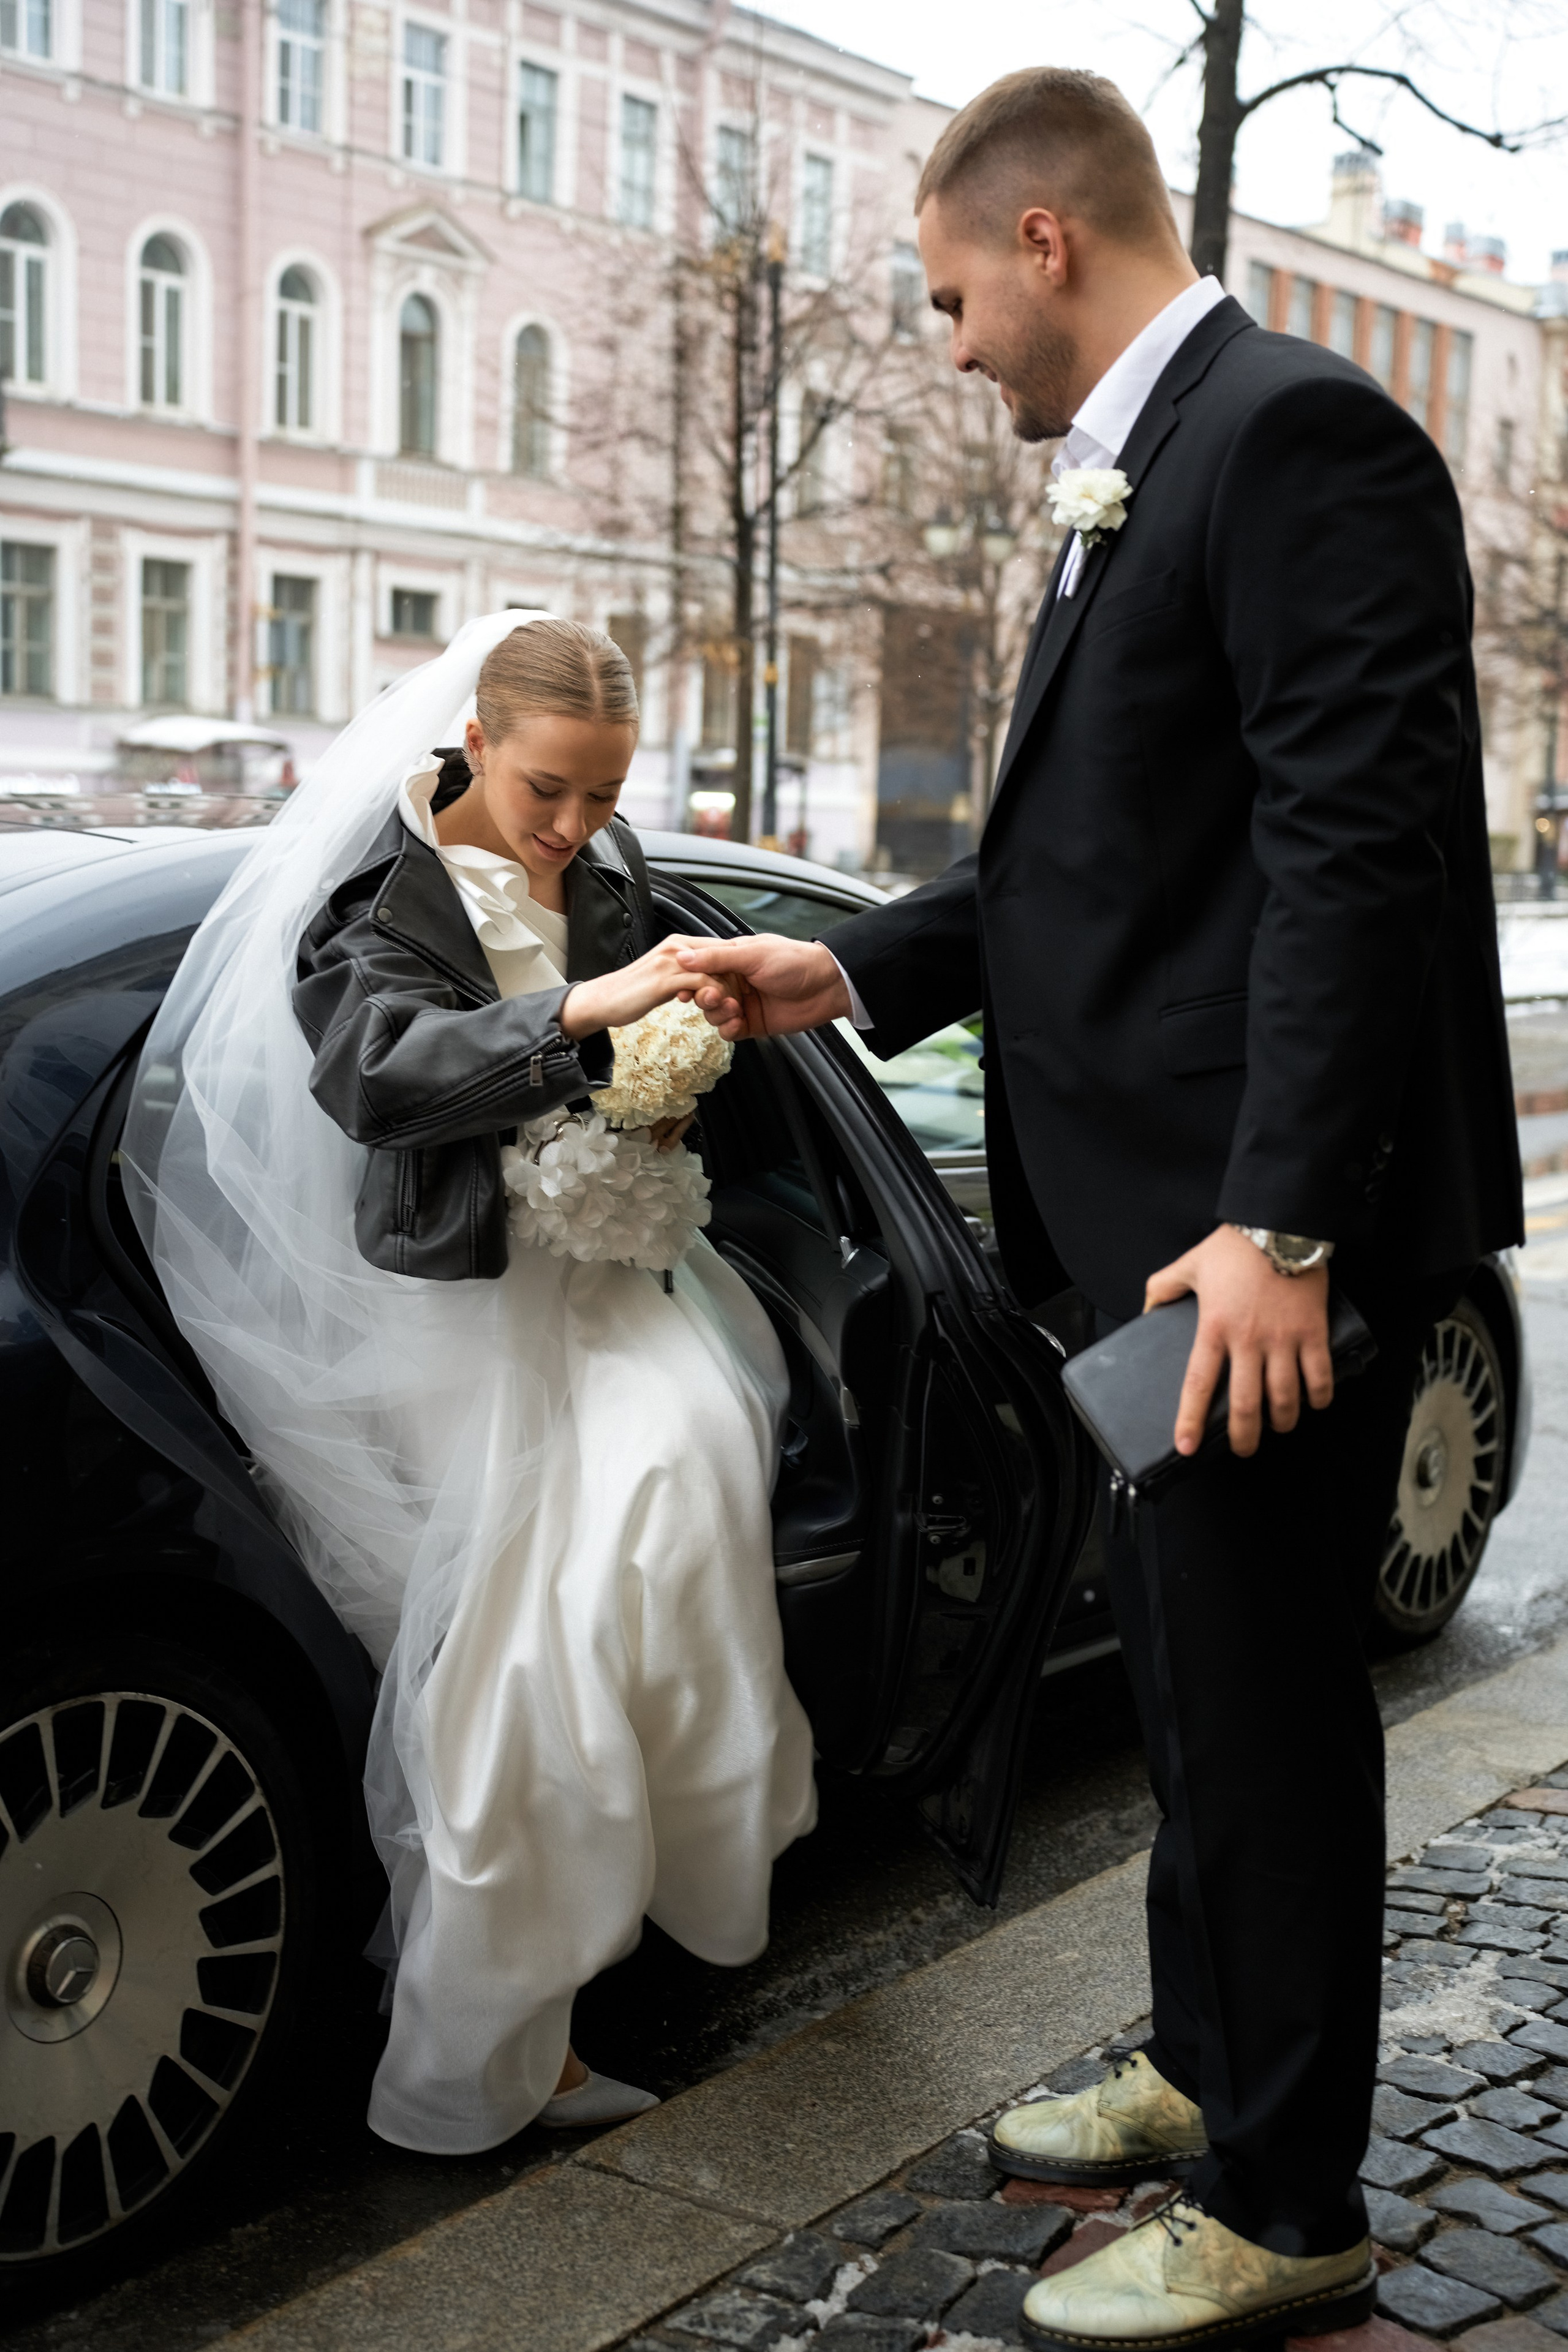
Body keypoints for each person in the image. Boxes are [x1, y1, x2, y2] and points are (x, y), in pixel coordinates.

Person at [678, 66, 1522, 2352]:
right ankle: (1203, 2064)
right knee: (1181, 1684)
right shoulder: (1133, 477)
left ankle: (1288, 2199)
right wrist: (840, 963)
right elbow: (1082, 866)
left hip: (1244, 1253)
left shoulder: (1296, 435)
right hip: (1145, 1246)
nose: (947, 341)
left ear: (1043, 240)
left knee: (1262, 1715)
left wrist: (1285, 1225)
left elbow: (1359, 859)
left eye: (951, 293)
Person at [125, 611, 816, 2153]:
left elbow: (690, 1049)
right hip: (451, 1305)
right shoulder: (367, 899)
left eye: (603, 795)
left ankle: (678, 1861)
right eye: (546, 793)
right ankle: (496, 2046)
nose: (575, 830)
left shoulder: (624, 872)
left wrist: (676, 1064)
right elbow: (378, 1073)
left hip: (619, 1273)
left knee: (692, 1472)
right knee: (522, 1658)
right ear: (476, 743)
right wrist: (586, 1019)